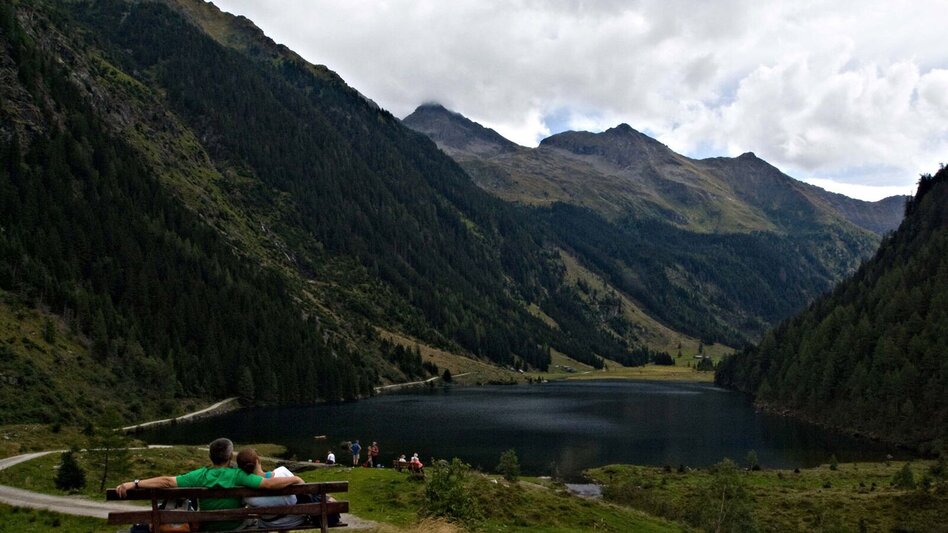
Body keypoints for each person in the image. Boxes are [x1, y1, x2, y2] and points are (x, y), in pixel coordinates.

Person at [115, 438, 303, 532]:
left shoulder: (200, 475)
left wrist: (136, 483)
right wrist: (294, 479)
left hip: (209, 528)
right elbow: (269, 485)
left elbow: (167, 481)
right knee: (255, 522)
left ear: (210, 456)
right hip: (236, 526)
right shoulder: (238, 475)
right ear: (230, 457)